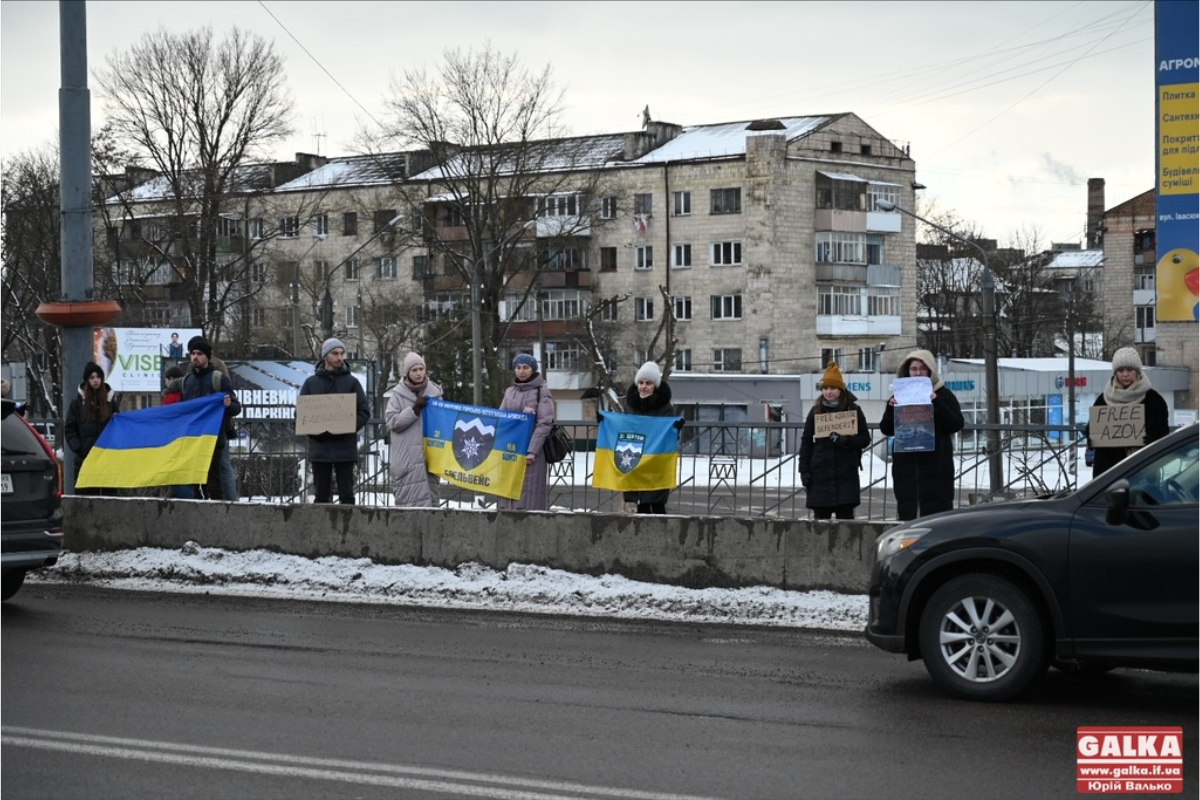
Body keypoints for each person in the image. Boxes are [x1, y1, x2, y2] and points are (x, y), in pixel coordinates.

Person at [879, 349, 964, 521]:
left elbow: (956, 424)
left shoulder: (943, 395)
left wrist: (936, 403)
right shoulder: (899, 396)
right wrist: (890, 409)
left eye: (923, 368)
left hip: (936, 468)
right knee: (908, 516)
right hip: (907, 469)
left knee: (936, 518)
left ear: (931, 371)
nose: (918, 373)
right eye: (914, 369)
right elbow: (886, 429)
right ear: (907, 371)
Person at [300, 338, 370, 504]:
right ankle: (322, 522)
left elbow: (364, 412)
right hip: (320, 448)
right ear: (325, 356)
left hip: (345, 447)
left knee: (347, 496)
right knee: (321, 496)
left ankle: (348, 522)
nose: (340, 357)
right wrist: (314, 432)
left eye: (342, 353)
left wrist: (347, 426)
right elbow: (301, 415)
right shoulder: (311, 383)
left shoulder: (352, 382)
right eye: (335, 353)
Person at [798, 362, 871, 520]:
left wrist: (845, 441)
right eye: (825, 388)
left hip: (845, 475)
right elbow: (806, 441)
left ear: (840, 389)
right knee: (820, 525)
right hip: (820, 475)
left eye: (832, 388)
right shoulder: (816, 410)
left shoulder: (853, 410)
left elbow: (865, 439)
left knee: (845, 524)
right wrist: (804, 470)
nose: (828, 392)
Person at [1085, 346, 1169, 477]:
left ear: (1137, 372)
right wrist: (1092, 438)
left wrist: (1148, 439)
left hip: (1142, 469)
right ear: (1115, 373)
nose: (1125, 374)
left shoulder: (1154, 400)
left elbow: (1161, 434)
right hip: (1107, 472)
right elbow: (1092, 430)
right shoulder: (1103, 399)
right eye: (1120, 370)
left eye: (1129, 370)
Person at [181, 335, 241, 500]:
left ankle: (221, 510)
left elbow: (236, 407)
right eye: (193, 353)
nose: (195, 357)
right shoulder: (188, 380)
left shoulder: (218, 378)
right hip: (192, 438)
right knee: (194, 483)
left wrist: (228, 405)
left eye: (199, 353)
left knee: (215, 481)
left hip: (212, 438)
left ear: (207, 356)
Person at [385, 351, 443, 507]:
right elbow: (393, 423)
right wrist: (414, 410)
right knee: (408, 512)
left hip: (429, 460)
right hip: (407, 462)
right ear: (407, 373)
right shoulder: (397, 395)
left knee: (431, 510)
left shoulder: (435, 394)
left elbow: (442, 423)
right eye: (414, 370)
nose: (418, 373)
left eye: (421, 369)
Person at [497, 353, 554, 511]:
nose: (521, 371)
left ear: (533, 369)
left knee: (528, 495)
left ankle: (528, 525)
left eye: (526, 367)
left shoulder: (541, 391)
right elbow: (501, 418)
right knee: (508, 489)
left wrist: (532, 451)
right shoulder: (509, 391)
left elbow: (544, 423)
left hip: (531, 453)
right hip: (510, 449)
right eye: (518, 367)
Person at [622, 361, 678, 514]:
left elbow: (669, 432)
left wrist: (676, 427)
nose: (643, 386)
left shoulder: (665, 407)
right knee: (642, 505)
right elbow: (623, 426)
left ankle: (661, 529)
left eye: (648, 383)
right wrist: (606, 422)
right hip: (636, 455)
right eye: (640, 382)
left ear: (655, 385)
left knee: (657, 502)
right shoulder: (630, 405)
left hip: (656, 457)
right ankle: (643, 529)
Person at [65, 361, 120, 495]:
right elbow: (70, 429)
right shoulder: (77, 404)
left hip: (107, 456)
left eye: (98, 377)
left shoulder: (110, 402)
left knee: (109, 496)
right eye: (92, 377)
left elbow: (118, 426)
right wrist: (79, 448)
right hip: (85, 457)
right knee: (85, 497)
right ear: (87, 380)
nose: (95, 380)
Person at [161, 365, 193, 500]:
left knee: (173, 476)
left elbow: (165, 418)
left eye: (166, 379)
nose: (165, 382)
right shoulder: (190, 391)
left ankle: (193, 501)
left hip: (173, 440)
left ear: (171, 379)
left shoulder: (170, 397)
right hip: (189, 439)